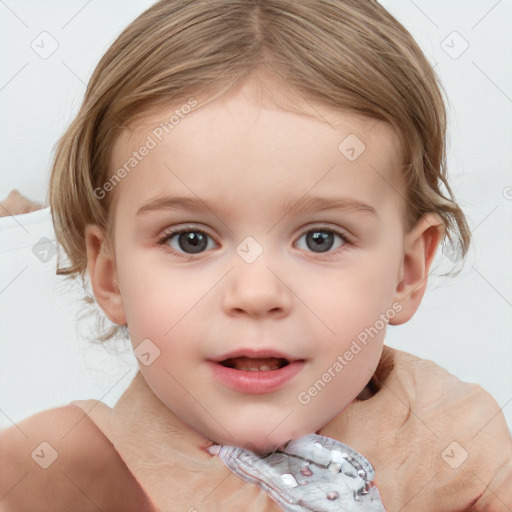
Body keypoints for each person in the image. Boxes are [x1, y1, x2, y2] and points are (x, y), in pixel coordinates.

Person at [1, 0, 511, 510]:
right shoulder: (67, 470)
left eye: (320, 239)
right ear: (110, 277)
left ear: (406, 273)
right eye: (191, 239)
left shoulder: (453, 440)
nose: (257, 293)